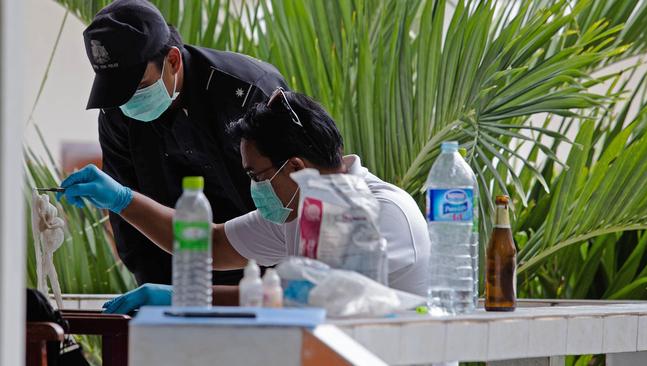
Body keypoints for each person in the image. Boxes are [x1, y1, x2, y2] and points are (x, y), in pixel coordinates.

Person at [58, 90, 431, 314]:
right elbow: (211, 243)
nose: (254, 188)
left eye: (256, 176)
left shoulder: (382, 213)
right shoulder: (299, 209)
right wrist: (122, 199)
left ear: (296, 168)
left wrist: (186, 298)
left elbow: (317, 299)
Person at [82, 0, 288, 286]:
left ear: (173, 61)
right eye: (117, 91)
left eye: (137, 86)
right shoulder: (117, 112)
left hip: (265, 270)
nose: (127, 102)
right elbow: (129, 218)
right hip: (178, 275)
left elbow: (289, 198)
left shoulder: (246, 92)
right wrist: (156, 293)